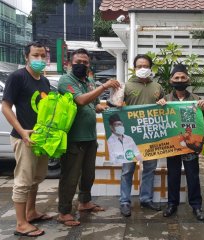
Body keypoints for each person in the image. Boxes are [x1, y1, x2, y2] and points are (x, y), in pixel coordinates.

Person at [57, 48, 120, 226]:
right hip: (74, 138)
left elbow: (94, 105)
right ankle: (64, 211)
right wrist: (104, 86)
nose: (82, 65)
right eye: (78, 62)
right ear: (70, 63)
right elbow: (81, 100)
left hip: (90, 137)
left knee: (88, 174)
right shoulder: (66, 80)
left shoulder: (89, 81)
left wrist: (108, 108)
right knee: (70, 176)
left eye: (85, 62)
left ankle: (84, 202)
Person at [2, 41, 52, 237]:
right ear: (26, 57)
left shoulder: (44, 81)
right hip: (24, 138)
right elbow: (5, 107)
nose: (40, 59)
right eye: (35, 56)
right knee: (23, 181)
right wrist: (22, 131)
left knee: (36, 179)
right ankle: (21, 224)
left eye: (42, 56)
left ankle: (31, 212)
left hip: (41, 139)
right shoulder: (17, 77)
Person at [156, 64, 204, 221]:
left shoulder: (196, 100)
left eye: (182, 77)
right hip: (173, 145)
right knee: (173, 175)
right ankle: (172, 204)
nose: (180, 80)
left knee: (193, 175)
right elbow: (158, 121)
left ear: (188, 79)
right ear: (171, 80)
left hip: (190, 146)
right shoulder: (164, 100)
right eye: (176, 78)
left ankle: (196, 206)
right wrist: (159, 108)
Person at [120, 54, 164, 217]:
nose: (142, 69)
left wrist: (163, 102)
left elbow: (165, 105)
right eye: (139, 66)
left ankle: (146, 199)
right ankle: (125, 201)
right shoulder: (126, 86)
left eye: (145, 66)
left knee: (150, 169)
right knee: (127, 170)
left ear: (150, 68)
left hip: (151, 136)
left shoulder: (157, 87)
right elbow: (116, 104)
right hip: (130, 136)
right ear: (134, 67)